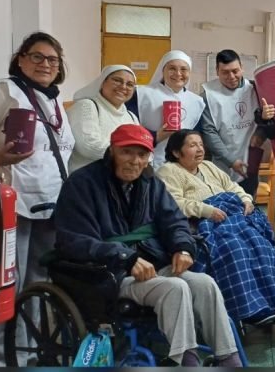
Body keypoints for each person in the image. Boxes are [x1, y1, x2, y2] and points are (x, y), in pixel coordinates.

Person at [52, 124, 242, 367]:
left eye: (142, 155)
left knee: (205, 283)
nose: (135, 161)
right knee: (175, 288)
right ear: (112, 151)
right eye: (127, 152)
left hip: (153, 264)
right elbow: (74, 241)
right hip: (108, 273)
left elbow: (174, 221)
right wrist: (125, 258)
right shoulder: (82, 184)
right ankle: (186, 360)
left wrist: (183, 248)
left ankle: (228, 357)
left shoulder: (150, 183)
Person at [0, 32, 75, 366]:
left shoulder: (54, 98)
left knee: (37, 284)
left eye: (52, 59)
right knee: (6, 287)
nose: (45, 64)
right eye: (37, 57)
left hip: (50, 206)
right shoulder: (6, 91)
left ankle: (28, 353)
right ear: (21, 59)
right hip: (12, 207)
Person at [157, 130, 275, 326]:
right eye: (192, 145)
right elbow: (174, 203)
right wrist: (206, 210)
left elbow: (232, 186)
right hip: (203, 223)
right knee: (236, 248)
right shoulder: (168, 171)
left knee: (260, 243)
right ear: (176, 152)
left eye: (200, 144)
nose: (200, 149)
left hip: (231, 216)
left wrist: (245, 199)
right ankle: (250, 309)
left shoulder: (208, 166)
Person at [197, 49, 275, 197]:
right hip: (221, 164)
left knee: (248, 204)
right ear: (217, 71)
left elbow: (266, 125)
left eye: (235, 71)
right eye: (225, 72)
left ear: (242, 68)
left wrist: (264, 119)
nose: (231, 76)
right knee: (223, 207)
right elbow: (209, 132)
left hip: (249, 162)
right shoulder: (208, 95)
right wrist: (231, 160)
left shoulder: (255, 90)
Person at [127, 50, 205, 169]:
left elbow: (196, 135)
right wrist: (156, 135)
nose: (178, 73)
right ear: (162, 71)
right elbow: (128, 128)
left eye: (184, 69)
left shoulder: (197, 102)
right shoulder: (141, 94)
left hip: (182, 165)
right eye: (172, 68)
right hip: (146, 161)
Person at [67, 64, 139, 172]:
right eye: (117, 80)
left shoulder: (131, 116)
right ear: (102, 83)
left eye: (130, 84)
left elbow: (142, 146)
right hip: (87, 180)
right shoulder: (86, 106)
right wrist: (132, 156)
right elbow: (88, 146)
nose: (123, 86)